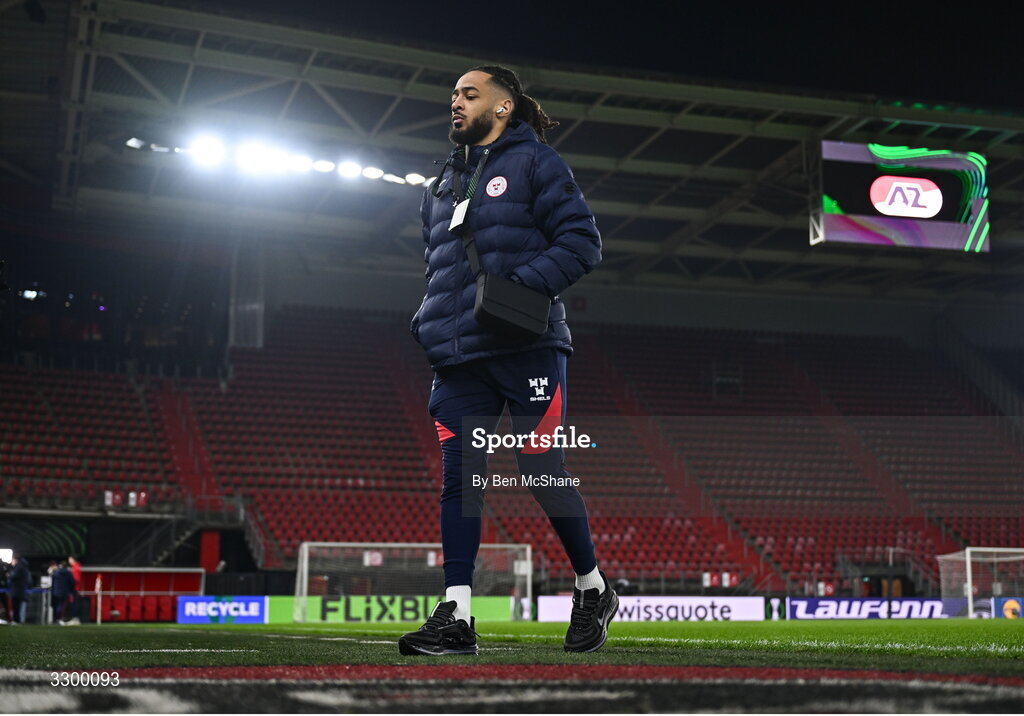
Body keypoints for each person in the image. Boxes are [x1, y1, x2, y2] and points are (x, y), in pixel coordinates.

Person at [400, 65, 617, 656]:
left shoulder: (535, 163)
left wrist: (515, 292)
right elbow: (436, 266)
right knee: (460, 481)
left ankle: (592, 587)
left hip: (525, 346)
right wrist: (428, 319)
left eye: (469, 94)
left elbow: (581, 241)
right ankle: (457, 617)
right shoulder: (440, 185)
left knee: (540, 465)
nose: (456, 102)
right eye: (453, 95)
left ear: (503, 107)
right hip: (458, 356)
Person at [9, 555, 32, 624]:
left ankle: (17, 620)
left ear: (16, 560)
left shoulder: (19, 568)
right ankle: (19, 620)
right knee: (19, 607)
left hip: (17, 590)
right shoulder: (24, 568)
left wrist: (9, 575)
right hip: (21, 590)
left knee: (16, 606)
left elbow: (13, 576)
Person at [65, 554, 82, 625]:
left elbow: (76, 579)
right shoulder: (76, 567)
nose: (69, 561)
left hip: (74, 589)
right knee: (74, 604)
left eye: (69, 559)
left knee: (74, 604)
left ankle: (75, 619)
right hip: (75, 588)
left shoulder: (75, 568)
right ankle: (75, 619)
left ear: (73, 559)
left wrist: (69, 584)